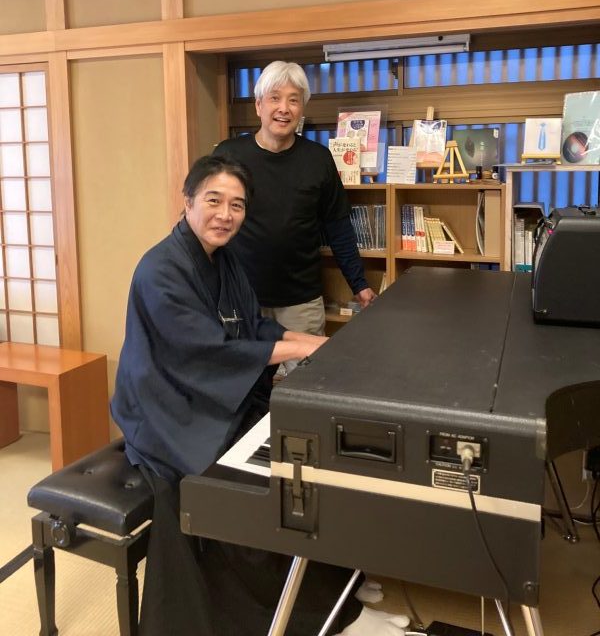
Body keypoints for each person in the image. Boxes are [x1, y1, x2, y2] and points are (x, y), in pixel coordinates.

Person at [111, 155, 407, 636]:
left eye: (237, 205)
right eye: (214, 200)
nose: (225, 214)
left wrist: (311, 342)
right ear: (188, 201)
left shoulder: (225, 260)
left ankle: (330, 591)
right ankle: (301, 615)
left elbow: (252, 326)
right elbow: (205, 351)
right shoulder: (160, 270)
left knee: (303, 457)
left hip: (208, 394)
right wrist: (302, 347)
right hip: (166, 407)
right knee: (247, 485)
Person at [213, 61, 377, 367]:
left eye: (293, 100)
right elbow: (208, 222)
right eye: (275, 98)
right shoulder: (228, 155)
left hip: (302, 302)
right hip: (241, 299)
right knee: (243, 383)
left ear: (302, 108)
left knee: (305, 384)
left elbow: (338, 226)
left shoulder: (318, 159)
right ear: (259, 105)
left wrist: (359, 284)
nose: (284, 109)